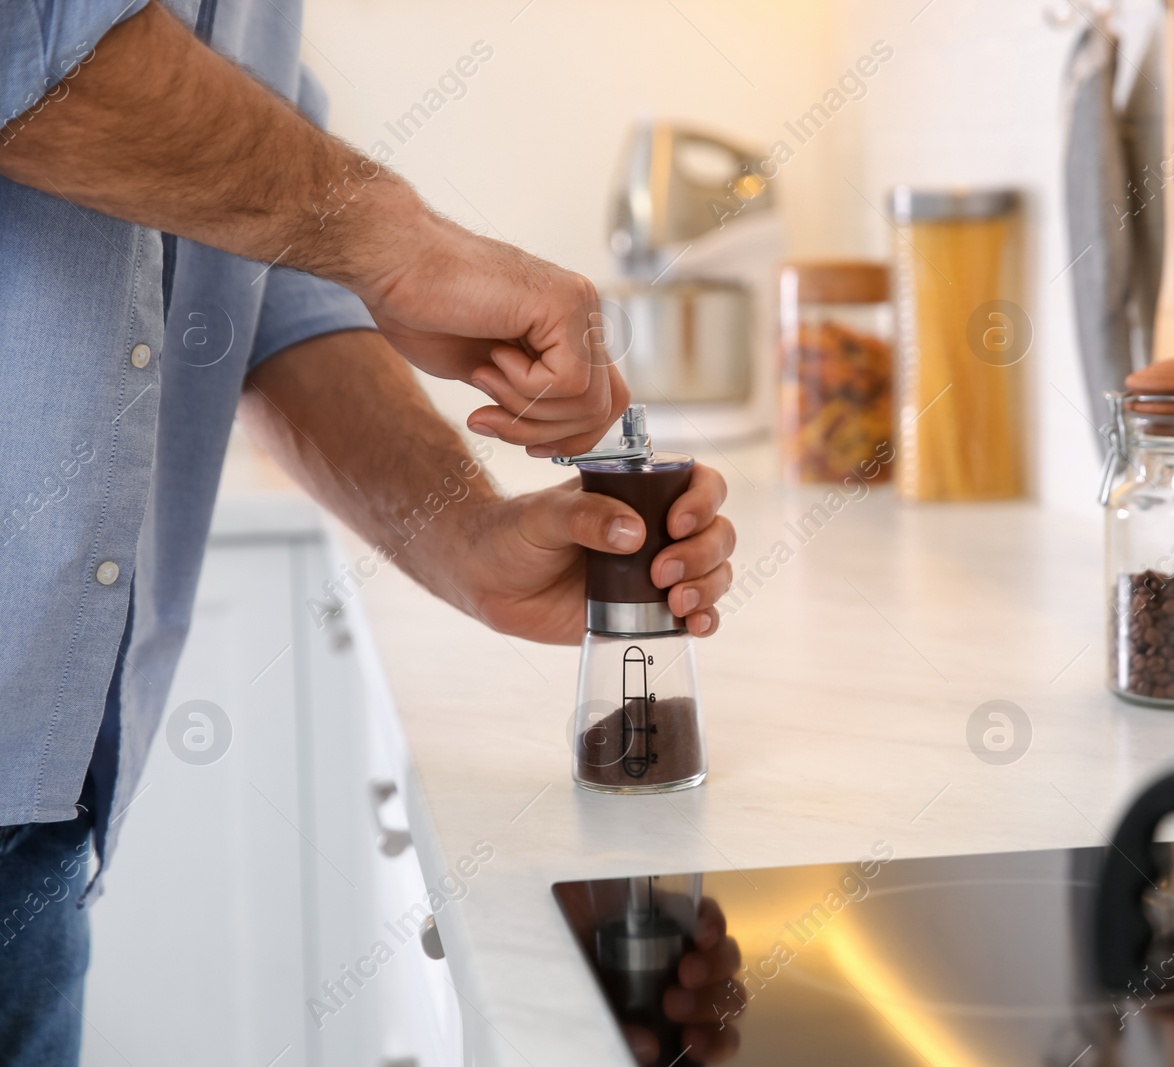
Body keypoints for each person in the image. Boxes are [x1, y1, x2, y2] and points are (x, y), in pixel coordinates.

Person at [0, 1, 739, 1062]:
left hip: (47, 803)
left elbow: (261, 281)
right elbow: (31, 53)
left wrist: (466, 535)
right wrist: (399, 240)